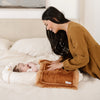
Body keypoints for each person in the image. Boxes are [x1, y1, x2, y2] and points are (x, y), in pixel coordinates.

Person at [41, 6, 100, 79]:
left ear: (54, 19)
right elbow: (74, 53)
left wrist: (62, 64)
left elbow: (83, 58)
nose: (47, 28)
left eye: (46, 24)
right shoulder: (68, 30)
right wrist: (60, 60)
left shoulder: (74, 29)